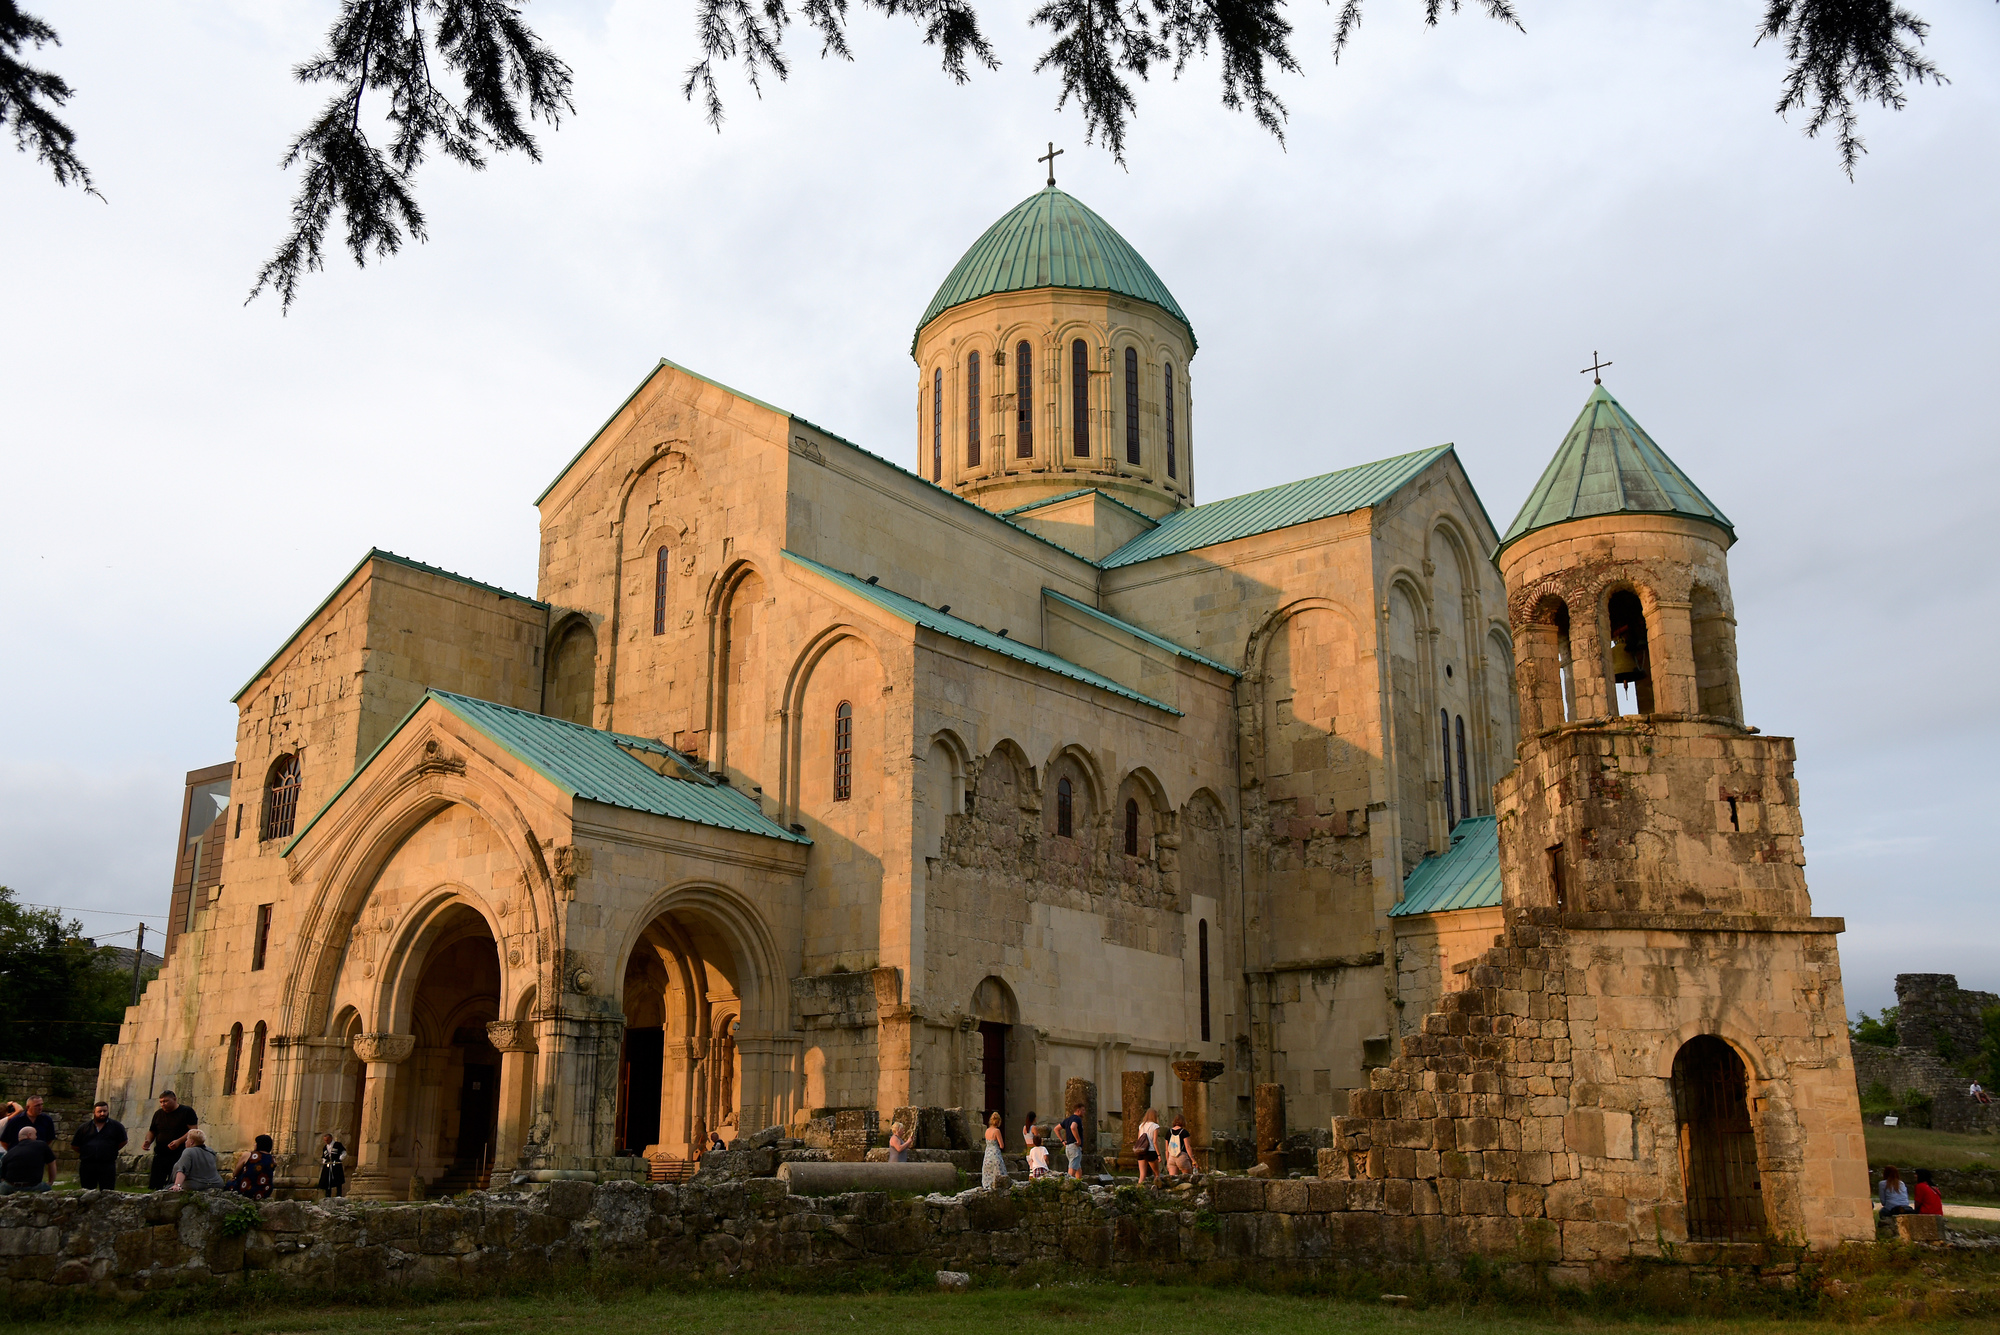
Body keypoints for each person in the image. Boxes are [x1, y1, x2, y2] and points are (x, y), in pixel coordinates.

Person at [143, 1091, 199, 1192]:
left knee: (173, 1181)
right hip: (161, 1153)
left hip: (179, 1153)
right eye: (161, 1102)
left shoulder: (186, 1111)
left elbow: (193, 1131)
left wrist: (179, 1141)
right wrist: (148, 1141)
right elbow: (152, 1131)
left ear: (174, 1099)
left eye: (165, 1101)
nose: (163, 1104)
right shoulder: (158, 1114)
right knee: (155, 1184)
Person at [72, 1101, 128, 1191]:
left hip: (107, 1165)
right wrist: (88, 1152)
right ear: (94, 1112)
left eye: (105, 1111)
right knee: (87, 1192)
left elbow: (123, 1141)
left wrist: (110, 1150)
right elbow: (75, 1145)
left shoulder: (116, 1127)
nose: (102, 1114)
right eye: (100, 1111)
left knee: (108, 1193)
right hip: (88, 1165)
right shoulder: (84, 1128)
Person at [0, 1126, 56, 1195]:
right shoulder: (41, 1145)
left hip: (10, 1186)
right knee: (48, 1191)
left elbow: (3, 1177)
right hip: (32, 1185)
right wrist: (50, 1181)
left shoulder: (10, 1152)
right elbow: (52, 1163)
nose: (36, 1137)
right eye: (35, 1134)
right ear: (29, 1135)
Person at [172, 1127, 225, 1192]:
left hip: (197, 1184)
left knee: (168, 1187)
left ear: (192, 1142)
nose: (185, 1142)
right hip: (216, 1183)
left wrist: (177, 1185)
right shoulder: (211, 1151)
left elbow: (182, 1170)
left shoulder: (188, 1151)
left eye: (187, 1140)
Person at [231, 1134, 277, 1199]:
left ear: (259, 1144)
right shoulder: (273, 1159)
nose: (254, 1144)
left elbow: (235, 1173)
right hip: (265, 1192)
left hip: (247, 1190)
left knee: (229, 1184)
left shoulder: (248, 1155)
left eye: (256, 1143)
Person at [1058, 1102, 1087, 1179]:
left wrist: (1062, 1140)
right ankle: (1067, 1186)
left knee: (1078, 1168)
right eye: (1083, 1110)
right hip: (1074, 1147)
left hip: (1068, 1147)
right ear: (1078, 1110)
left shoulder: (1067, 1120)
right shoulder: (1077, 1119)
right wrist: (1078, 1140)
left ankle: (1078, 1184)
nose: (1084, 1112)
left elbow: (1056, 1129)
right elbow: (1073, 1127)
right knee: (1072, 1169)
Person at [1134, 1107, 1161, 1185]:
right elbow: (1155, 1141)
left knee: (1142, 1175)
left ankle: (1139, 1190)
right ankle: (1157, 1189)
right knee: (1156, 1173)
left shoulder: (1141, 1125)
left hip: (1141, 1151)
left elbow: (1139, 1139)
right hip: (1150, 1150)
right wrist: (1159, 1154)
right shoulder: (1155, 1126)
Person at [318, 1132, 346, 1198]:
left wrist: (340, 1159)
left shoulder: (337, 1145)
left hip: (336, 1164)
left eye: (327, 1140)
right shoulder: (325, 1147)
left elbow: (344, 1152)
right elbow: (323, 1157)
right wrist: (324, 1161)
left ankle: (339, 1194)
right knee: (327, 1179)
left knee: (338, 1179)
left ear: (330, 1138)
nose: (326, 1141)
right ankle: (328, 1195)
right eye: (325, 1140)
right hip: (328, 1165)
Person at [981, 1111, 1005, 1189]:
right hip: (995, 1154)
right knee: (998, 1173)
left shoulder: (987, 1130)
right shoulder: (997, 1131)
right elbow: (1002, 1145)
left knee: (988, 1173)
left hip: (987, 1154)